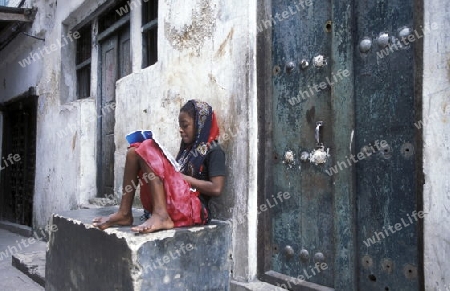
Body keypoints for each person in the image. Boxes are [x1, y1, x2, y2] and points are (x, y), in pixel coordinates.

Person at [92, 100, 226, 233]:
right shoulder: (187, 149)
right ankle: (124, 213)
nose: (181, 130)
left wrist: (182, 177)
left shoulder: (214, 150)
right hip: (178, 201)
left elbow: (216, 188)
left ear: (199, 125)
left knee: (147, 146)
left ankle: (161, 215)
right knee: (133, 152)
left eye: (185, 125)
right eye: (180, 126)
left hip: (194, 210)